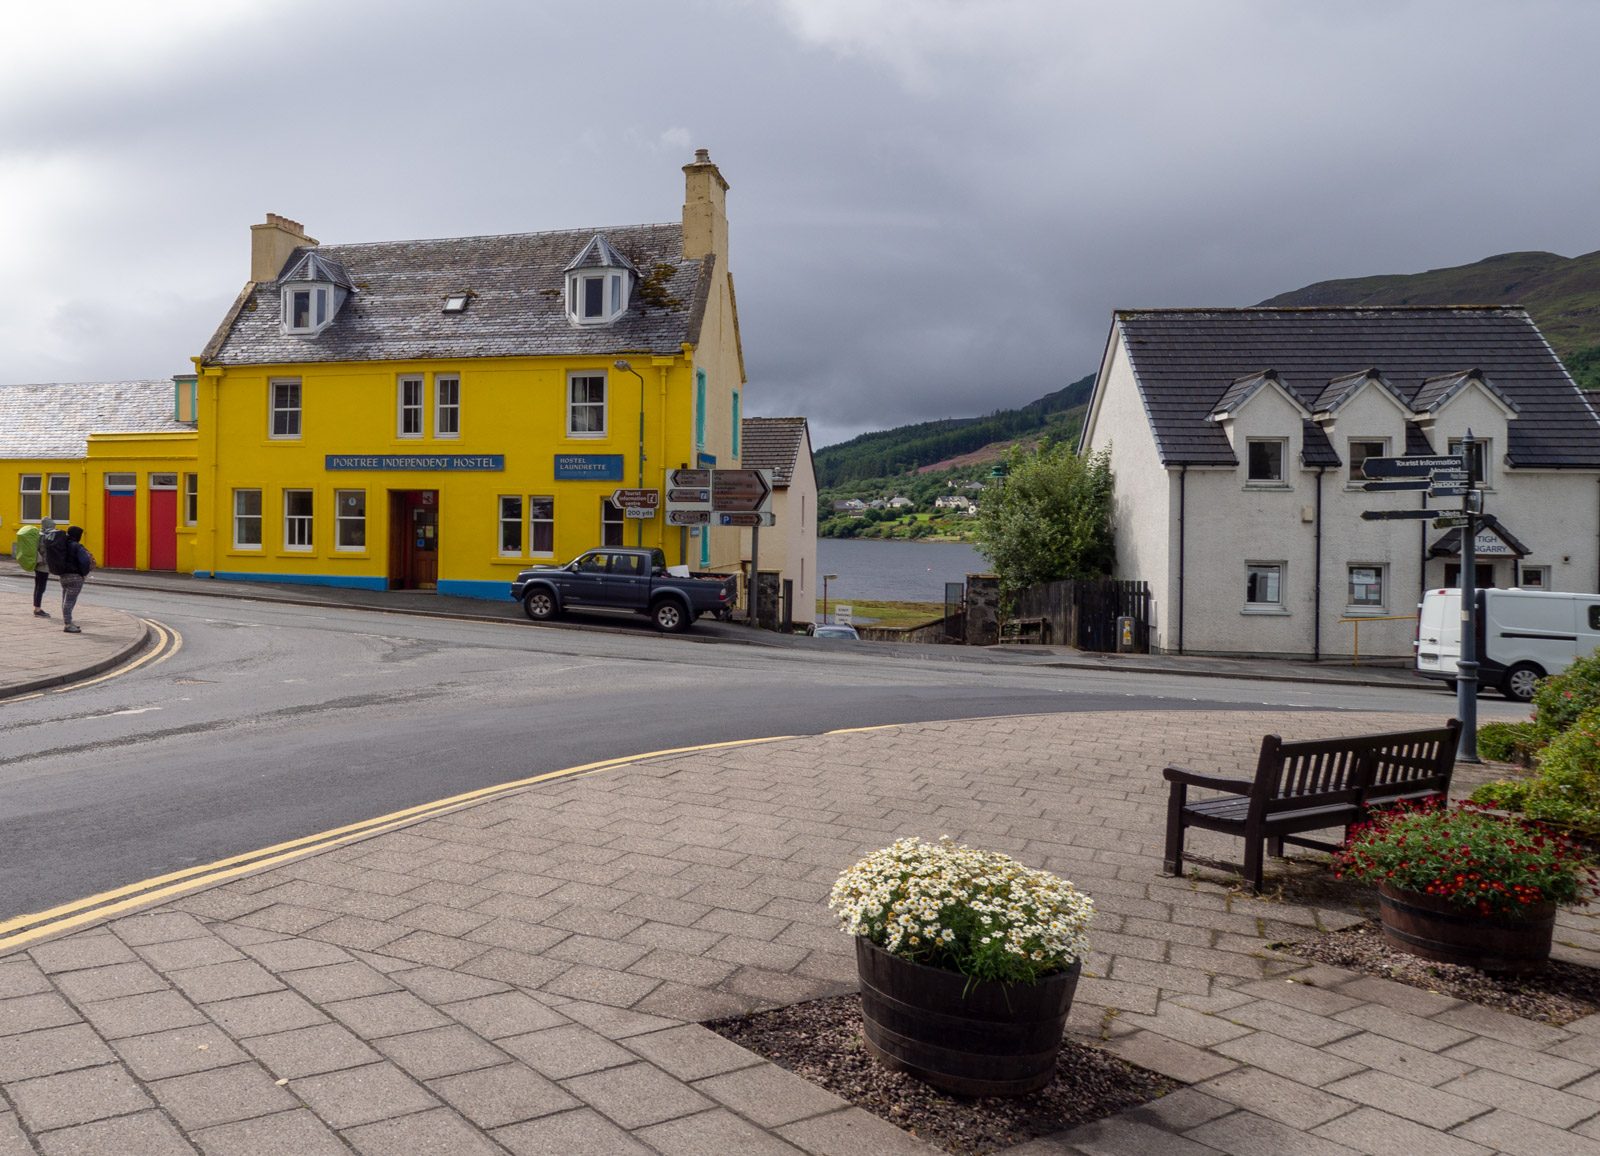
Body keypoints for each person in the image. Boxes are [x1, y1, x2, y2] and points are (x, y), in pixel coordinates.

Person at [11, 516, 55, 617]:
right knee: (41, 587)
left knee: (38, 586)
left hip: (37, 563)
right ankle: (37, 609)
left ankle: (37, 607)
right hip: (43, 565)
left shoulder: (37, 534)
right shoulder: (45, 537)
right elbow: (44, 551)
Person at [56, 525, 95, 634]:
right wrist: (84, 573)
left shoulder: (63, 545)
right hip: (75, 577)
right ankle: (68, 624)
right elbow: (85, 561)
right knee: (70, 601)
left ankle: (69, 622)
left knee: (65, 600)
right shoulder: (77, 546)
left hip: (63, 576)